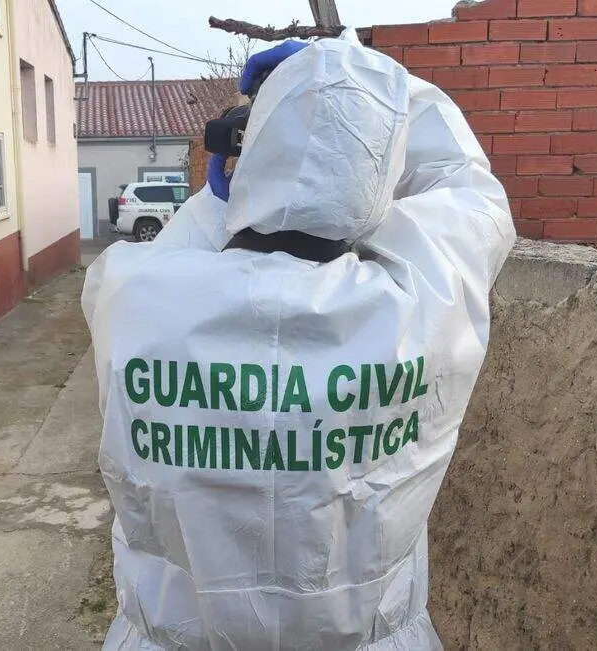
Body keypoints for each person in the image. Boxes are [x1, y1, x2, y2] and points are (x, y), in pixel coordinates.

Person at [83, 30, 515, 650]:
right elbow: (472, 191)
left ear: (247, 161)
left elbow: (194, 243)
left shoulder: (134, 295)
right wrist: (365, 84)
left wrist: (226, 193)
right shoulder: (426, 299)